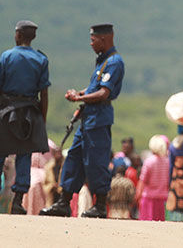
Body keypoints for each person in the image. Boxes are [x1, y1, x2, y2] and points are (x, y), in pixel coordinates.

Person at [41, 23, 125, 218]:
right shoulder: (102, 62)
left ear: (104, 39)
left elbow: (104, 93)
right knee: (73, 159)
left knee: (96, 162)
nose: (90, 43)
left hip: (99, 120)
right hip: (88, 119)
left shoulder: (114, 62)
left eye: (93, 39)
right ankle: (63, 203)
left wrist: (79, 99)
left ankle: (101, 205)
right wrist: (79, 94)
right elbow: (93, 90)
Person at [0, 20, 50, 215]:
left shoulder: (7, 56)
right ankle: (18, 202)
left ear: (18, 35)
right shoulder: (41, 59)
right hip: (30, 112)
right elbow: (43, 93)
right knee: (24, 157)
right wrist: (42, 120)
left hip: (6, 110)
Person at [136, 134, 170, 221]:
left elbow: (142, 181)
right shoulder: (167, 162)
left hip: (149, 199)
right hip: (163, 199)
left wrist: (138, 196)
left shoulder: (149, 162)